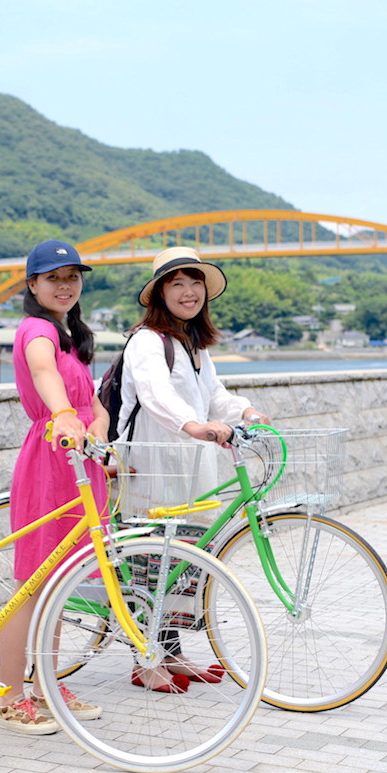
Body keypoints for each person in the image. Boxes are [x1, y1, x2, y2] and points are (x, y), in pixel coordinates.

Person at [117, 246, 270, 692]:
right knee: (149, 562)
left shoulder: (192, 344)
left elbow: (215, 394)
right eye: (177, 284)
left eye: (195, 283)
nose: (189, 292)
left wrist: (245, 411)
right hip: (153, 465)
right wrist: (194, 425)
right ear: (159, 294)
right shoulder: (147, 341)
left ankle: (172, 652)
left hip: (191, 467)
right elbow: (155, 394)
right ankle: (144, 660)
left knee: (182, 561)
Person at [0, 240, 110, 734]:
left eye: (72, 277)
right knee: (33, 582)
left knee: (59, 583)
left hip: (80, 461)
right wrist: (63, 414)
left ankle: (45, 686)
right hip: (50, 460)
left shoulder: (69, 336)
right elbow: (43, 373)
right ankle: (8, 696)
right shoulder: (37, 330)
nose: (65, 286)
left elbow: (94, 404)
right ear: (33, 285)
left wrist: (97, 423)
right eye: (53, 278)